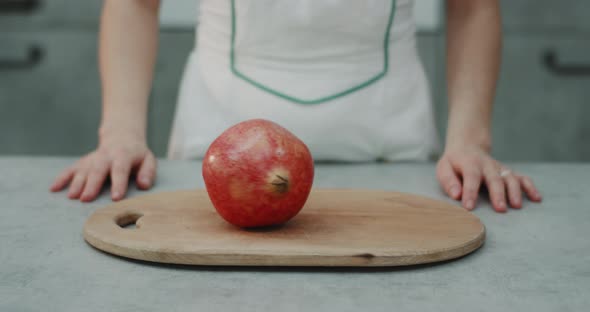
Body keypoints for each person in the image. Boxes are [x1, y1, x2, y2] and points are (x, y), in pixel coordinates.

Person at [50, 0, 542, 212]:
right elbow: (136, 4)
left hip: (391, 150)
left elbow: (472, 6)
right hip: (213, 149)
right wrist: (119, 134)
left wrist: (470, 141)